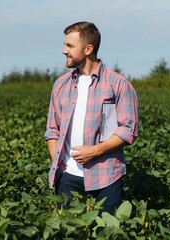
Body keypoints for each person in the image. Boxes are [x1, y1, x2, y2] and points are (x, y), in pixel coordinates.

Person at [44, 21, 139, 214]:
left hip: (106, 177)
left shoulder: (118, 84)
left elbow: (128, 129)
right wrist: (59, 163)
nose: (64, 51)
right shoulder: (61, 85)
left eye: (70, 46)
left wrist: (95, 151)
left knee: (107, 232)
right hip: (67, 177)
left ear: (88, 49)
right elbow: (52, 129)